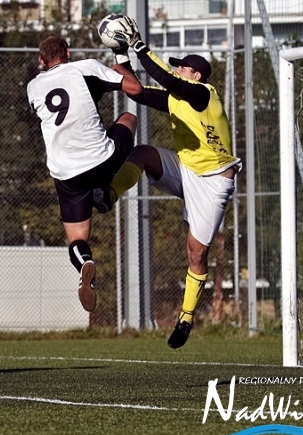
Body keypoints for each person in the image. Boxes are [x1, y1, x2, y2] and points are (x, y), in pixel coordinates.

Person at [97, 18, 240, 348]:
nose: (177, 70)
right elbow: (137, 91)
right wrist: (121, 54)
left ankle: (186, 319)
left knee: (196, 253)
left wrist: (140, 46)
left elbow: (166, 79)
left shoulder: (203, 94)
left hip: (213, 181)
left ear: (196, 75)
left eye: (182, 67)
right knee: (143, 153)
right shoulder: (178, 96)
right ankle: (107, 195)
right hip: (186, 169)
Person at [27, 34, 143, 312]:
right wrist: (120, 67)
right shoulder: (86, 67)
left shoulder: (33, 86)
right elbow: (135, 89)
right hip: (102, 159)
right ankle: (106, 189)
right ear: (67, 52)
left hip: (67, 173)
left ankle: (85, 263)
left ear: (41, 60)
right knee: (129, 117)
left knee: (78, 239)